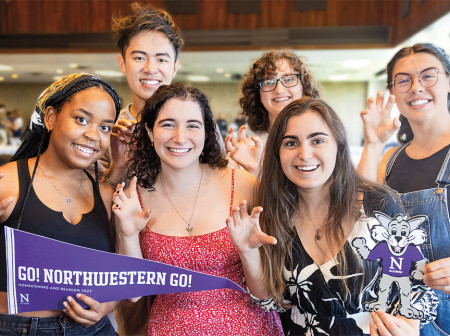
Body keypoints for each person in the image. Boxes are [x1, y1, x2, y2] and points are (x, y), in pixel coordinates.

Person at [226, 97, 436, 335]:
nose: (305, 154)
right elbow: (269, 302)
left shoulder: (378, 204)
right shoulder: (274, 213)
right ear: (277, 153)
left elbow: (418, 286)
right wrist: (248, 252)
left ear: (338, 145)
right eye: (291, 143)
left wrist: (410, 329)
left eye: (318, 140)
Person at [113, 83, 283, 335]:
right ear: (149, 131)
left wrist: (247, 252)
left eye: (193, 125)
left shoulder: (243, 184)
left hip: (248, 327)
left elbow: (267, 294)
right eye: (168, 124)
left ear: (206, 133)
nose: (180, 137)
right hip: (170, 329)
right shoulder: (133, 198)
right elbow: (134, 294)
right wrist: (127, 234)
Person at [0, 73, 121, 335]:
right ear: (51, 117)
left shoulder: (107, 195)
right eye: (81, 119)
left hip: (93, 329)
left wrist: (109, 303)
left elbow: (121, 270)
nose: (93, 135)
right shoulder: (7, 182)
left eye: (104, 127)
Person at [357, 43, 450, 335]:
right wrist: (373, 143)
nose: (416, 87)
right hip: (397, 316)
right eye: (404, 80)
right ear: (394, 92)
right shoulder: (389, 158)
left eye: (428, 76)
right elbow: (356, 215)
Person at [99, 2, 182, 188]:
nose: (150, 69)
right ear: (122, 63)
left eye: (161, 59)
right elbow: (92, 203)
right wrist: (117, 168)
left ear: (175, 67)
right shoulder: (109, 130)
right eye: (139, 58)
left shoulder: (196, 127)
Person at [225, 49, 320, 176]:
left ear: (304, 87)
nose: (279, 90)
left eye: (288, 79)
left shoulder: (324, 143)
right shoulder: (243, 153)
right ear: (257, 95)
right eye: (269, 82)